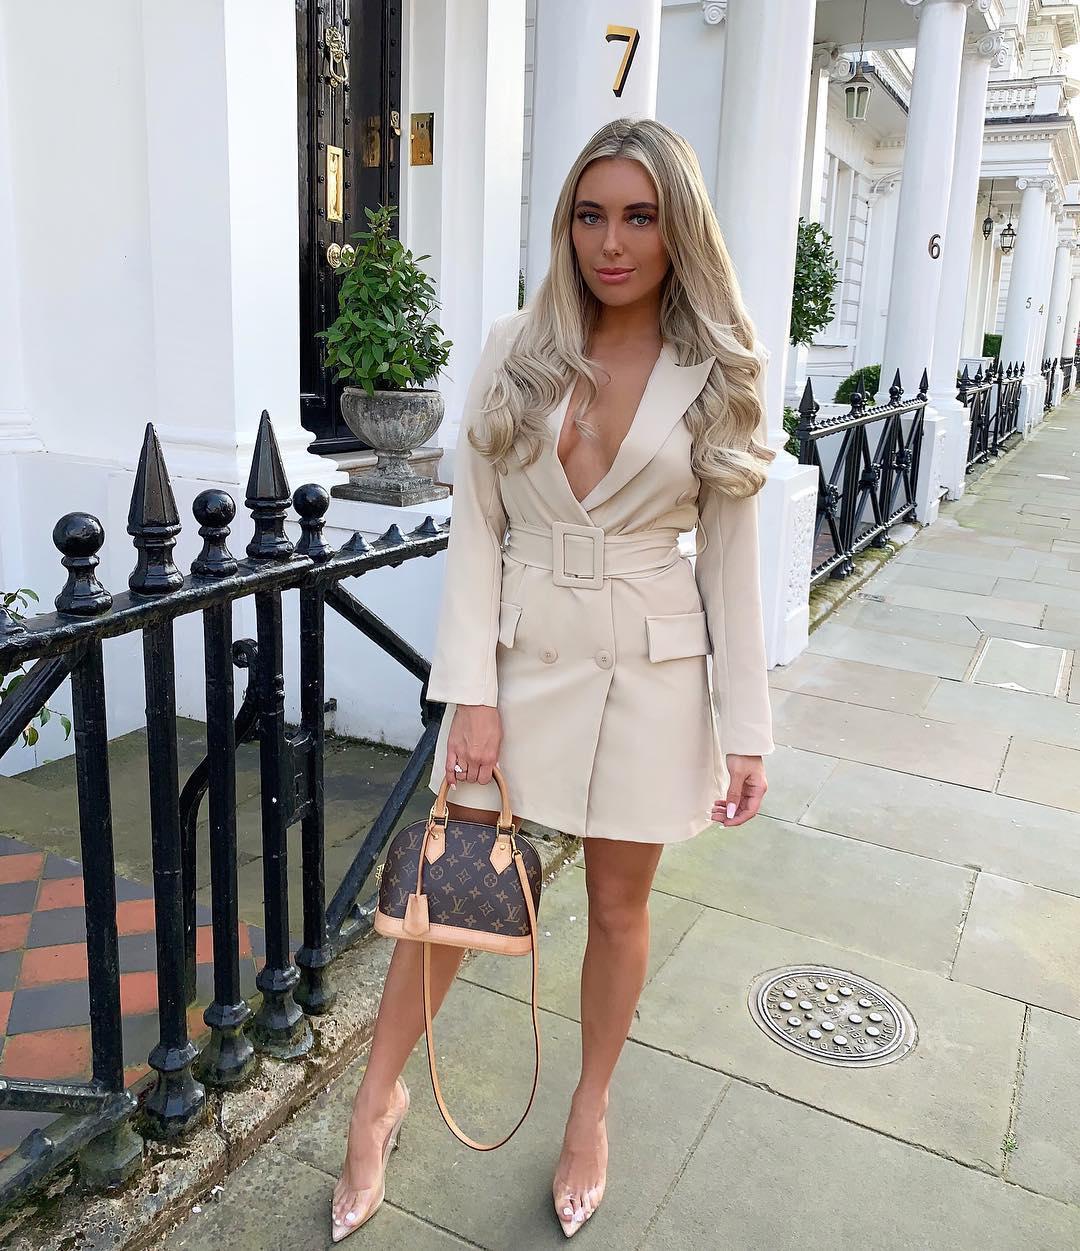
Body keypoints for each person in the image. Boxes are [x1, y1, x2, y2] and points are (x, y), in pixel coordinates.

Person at [331, 116, 774, 1242]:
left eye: (639, 217)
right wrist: (469, 691)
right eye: (590, 215)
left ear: (678, 229)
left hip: (652, 667)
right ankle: (374, 1104)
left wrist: (747, 730)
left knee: (618, 909)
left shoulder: (718, 365)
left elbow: (729, 561)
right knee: (446, 898)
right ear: (565, 224)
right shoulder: (515, 345)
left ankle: (589, 1111)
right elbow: (477, 529)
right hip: (519, 657)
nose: (611, 243)